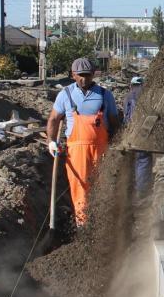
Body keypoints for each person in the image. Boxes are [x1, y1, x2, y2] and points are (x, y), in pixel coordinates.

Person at [46, 58, 121, 225]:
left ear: (93, 74)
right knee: (80, 189)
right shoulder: (65, 95)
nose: (84, 79)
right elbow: (53, 120)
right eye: (80, 75)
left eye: (88, 75)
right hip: (76, 151)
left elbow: (115, 122)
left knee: (103, 186)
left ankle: (102, 224)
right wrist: (51, 141)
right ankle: (83, 226)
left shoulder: (104, 95)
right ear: (73, 75)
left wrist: (116, 146)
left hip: (101, 149)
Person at [124, 76, 153, 200]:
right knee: (143, 161)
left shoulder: (127, 97)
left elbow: (125, 118)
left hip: (130, 133)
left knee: (133, 161)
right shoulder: (148, 96)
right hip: (144, 134)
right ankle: (141, 192)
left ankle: (130, 188)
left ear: (131, 85)